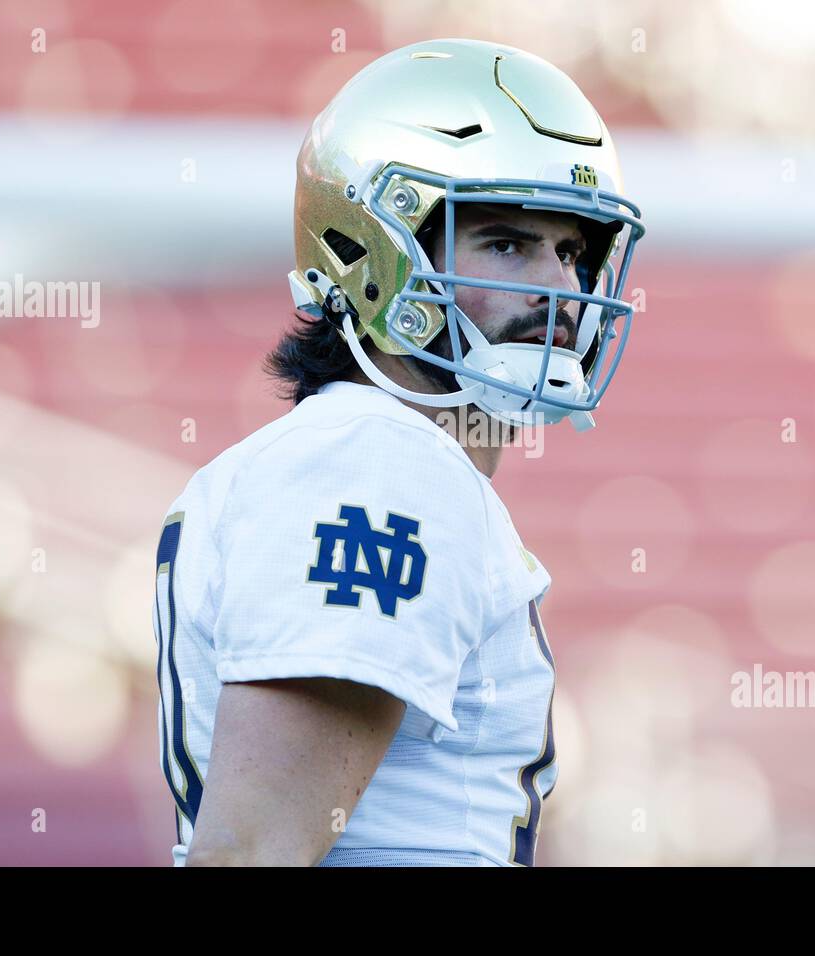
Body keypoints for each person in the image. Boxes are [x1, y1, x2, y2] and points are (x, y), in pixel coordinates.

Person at [152, 37, 646, 866]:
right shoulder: (381, 467)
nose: (563, 291)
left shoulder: (374, 457)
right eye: (506, 243)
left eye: (570, 250)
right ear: (368, 254)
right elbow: (251, 852)